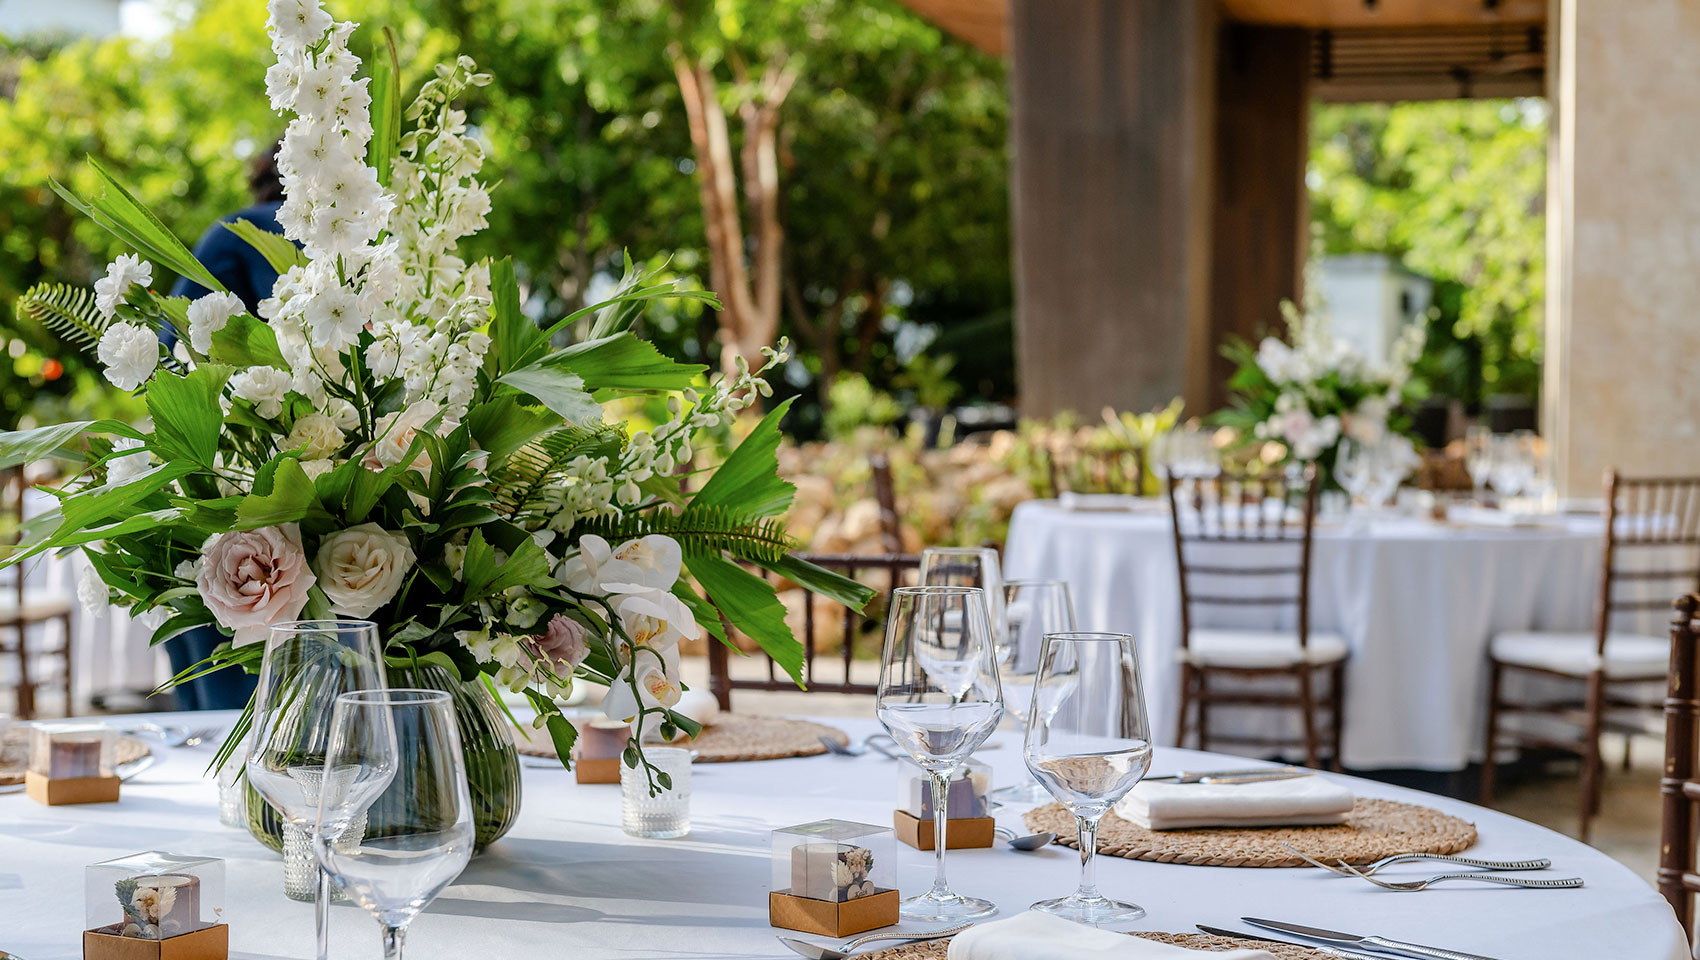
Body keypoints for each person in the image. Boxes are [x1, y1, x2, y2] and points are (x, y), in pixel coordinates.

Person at [164, 143, 290, 709]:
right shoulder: (363, 239)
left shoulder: (233, 232)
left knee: (222, 603)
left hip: (236, 468)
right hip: (340, 460)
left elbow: (171, 353)